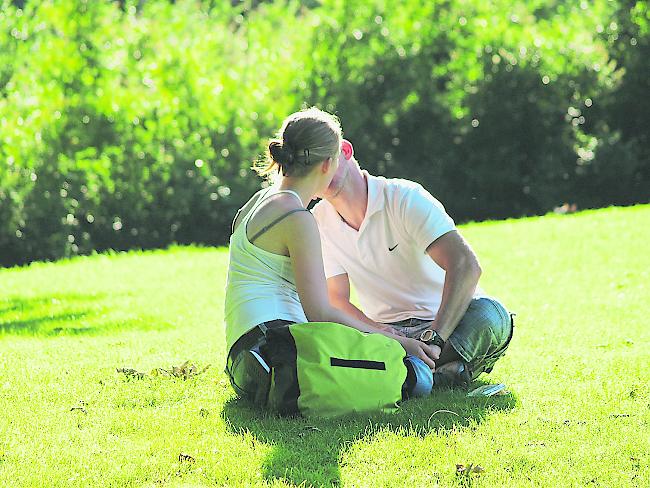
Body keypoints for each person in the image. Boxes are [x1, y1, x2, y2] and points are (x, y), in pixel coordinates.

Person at [224, 108, 438, 404]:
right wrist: (400, 343)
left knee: (375, 352)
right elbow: (320, 314)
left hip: (244, 359)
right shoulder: (297, 217)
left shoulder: (258, 202)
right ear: (327, 164)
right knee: (409, 375)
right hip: (277, 354)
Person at [312, 139, 514, 388]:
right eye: (309, 164)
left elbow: (465, 265)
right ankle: (438, 374)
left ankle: (410, 372)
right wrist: (383, 333)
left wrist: (436, 339)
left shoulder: (403, 197)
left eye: (325, 159)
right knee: (326, 336)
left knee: (490, 315)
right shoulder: (316, 223)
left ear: (344, 150)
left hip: (446, 325)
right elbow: (337, 301)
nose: (320, 170)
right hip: (385, 334)